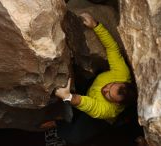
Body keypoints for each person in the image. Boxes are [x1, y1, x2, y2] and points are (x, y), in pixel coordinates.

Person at [55, 12, 136, 144]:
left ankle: (57, 125)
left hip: (97, 116)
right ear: (121, 81)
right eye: (111, 85)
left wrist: (68, 97)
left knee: (74, 138)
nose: (106, 89)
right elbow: (112, 48)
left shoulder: (107, 111)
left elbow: (88, 104)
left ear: (115, 103)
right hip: (92, 86)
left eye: (109, 95)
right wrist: (95, 25)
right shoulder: (122, 73)